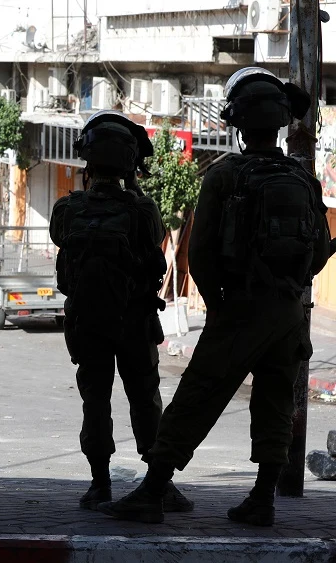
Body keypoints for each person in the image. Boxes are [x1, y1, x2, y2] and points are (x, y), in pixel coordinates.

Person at [99, 68, 332, 526]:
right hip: (289, 314)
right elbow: (320, 253)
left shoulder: (226, 175)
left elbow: (200, 255)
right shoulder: (304, 179)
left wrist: (221, 304)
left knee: (196, 397)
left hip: (240, 309)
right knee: (275, 403)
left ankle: (151, 492)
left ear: (238, 122)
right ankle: (262, 499)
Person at [50, 110, 192, 514]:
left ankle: (99, 485)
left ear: (89, 162)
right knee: (144, 399)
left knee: (95, 401)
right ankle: (158, 485)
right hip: (133, 322)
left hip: (87, 322)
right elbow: (154, 253)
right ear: (130, 163)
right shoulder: (142, 210)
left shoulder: (67, 209)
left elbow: (61, 238)